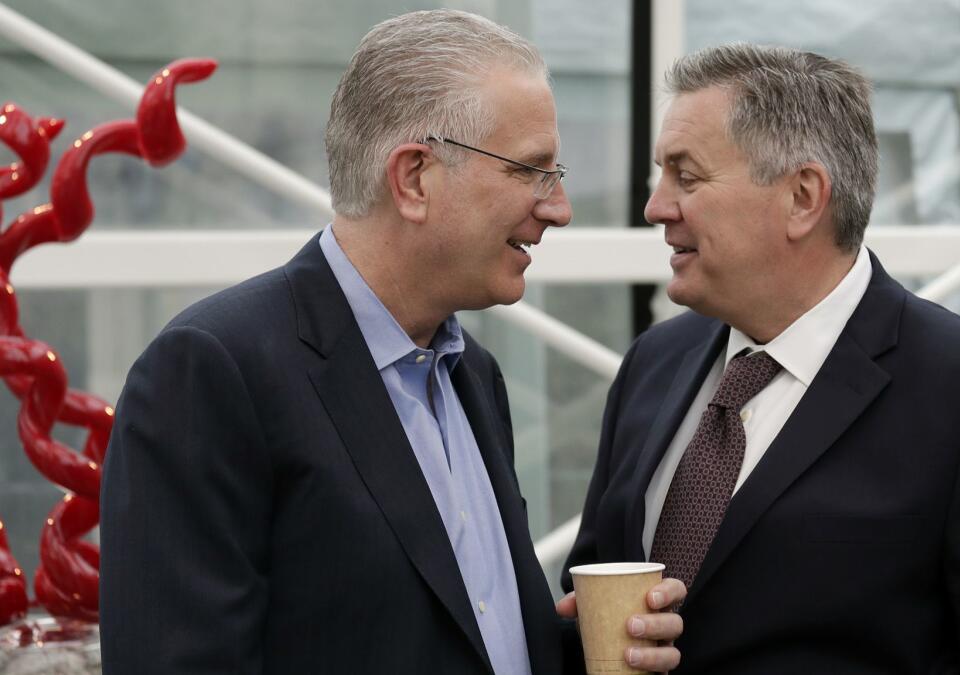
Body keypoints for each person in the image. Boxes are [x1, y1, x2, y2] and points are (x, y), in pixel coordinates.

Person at [99, 10, 682, 674]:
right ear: (413, 178)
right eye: (531, 171)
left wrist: (581, 650)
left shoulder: (472, 376)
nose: (559, 207)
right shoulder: (213, 370)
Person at [564, 44, 960, 673]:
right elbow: (589, 595)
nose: (656, 208)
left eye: (685, 177)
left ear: (803, 197)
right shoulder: (654, 363)